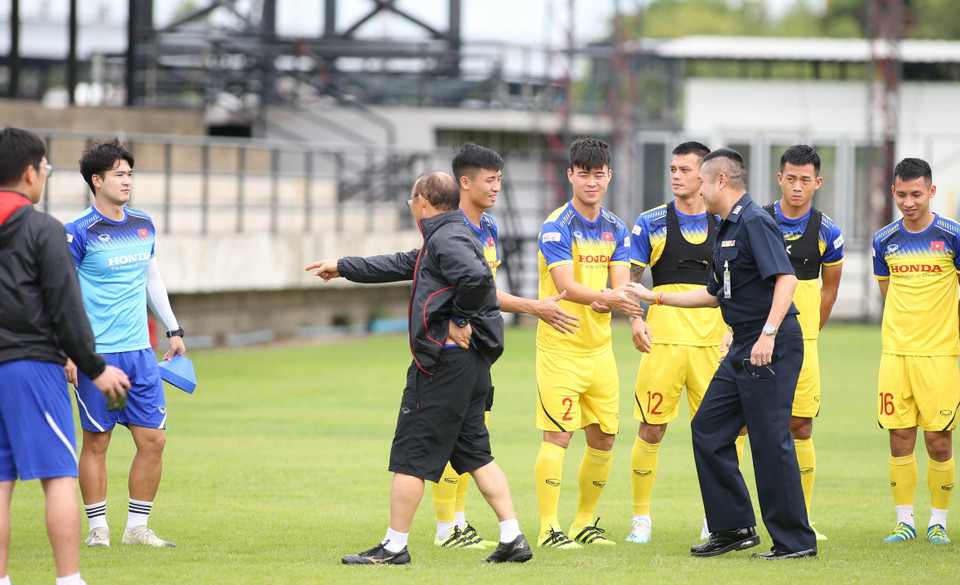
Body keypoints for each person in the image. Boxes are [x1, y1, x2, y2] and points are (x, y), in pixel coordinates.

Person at [306, 171, 532, 565]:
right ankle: (513, 539)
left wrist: (458, 319)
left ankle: (394, 547)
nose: (410, 206)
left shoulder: (445, 237)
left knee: (411, 455)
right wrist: (343, 266)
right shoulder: (448, 235)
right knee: (477, 454)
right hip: (471, 367)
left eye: (411, 200)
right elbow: (401, 263)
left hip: (445, 367)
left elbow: (477, 279)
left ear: (423, 201)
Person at [629, 148, 817, 559]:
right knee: (709, 428)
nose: (693, 185)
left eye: (699, 178)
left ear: (720, 182)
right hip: (743, 344)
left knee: (769, 442)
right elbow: (714, 294)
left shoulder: (754, 221)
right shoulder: (727, 227)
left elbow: (786, 280)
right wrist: (652, 297)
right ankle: (733, 528)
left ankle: (795, 542)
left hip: (770, 344)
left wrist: (766, 333)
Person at [431, 144, 578, 549]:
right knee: (452, 434)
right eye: (489, 180)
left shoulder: (490, 227)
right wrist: (533, 306)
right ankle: (447, 526)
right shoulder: (447, 227)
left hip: (479, 346)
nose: (497, 187)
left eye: (500, 179)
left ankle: (458, 524)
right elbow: (472, 289)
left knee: (473, 434)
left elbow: (487, 289)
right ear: (465, 182)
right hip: (452, 345)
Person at [0, 127, 129, 585]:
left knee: (0, 482)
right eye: (46, 168)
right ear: (31, 171)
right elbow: (66, 308)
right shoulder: (42, 229)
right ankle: (69, 579)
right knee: (57, 474)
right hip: (30, 366)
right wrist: (94, 367)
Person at [64, 139, 186, 548]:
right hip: (97, 357)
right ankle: (99, 528)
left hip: (140, 354)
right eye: (119, 173)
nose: (127, 180)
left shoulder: (143, 224)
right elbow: (63, 294)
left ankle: (137, 527)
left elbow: (152, 279)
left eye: (130, 173)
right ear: (96, 181)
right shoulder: (77, 232)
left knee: (154, 439)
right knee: (98, 440)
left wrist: (173, 330)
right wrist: (67, 350)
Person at [534, 137, 647, 549]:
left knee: (603, 437)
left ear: (609, 176)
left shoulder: (617, 227)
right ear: (571, 175)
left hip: (599, 350)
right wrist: (612, 299)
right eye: (584, 173)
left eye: (599, 174)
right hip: (560, 347)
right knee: (559, 436)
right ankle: (549, 527)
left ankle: (584, 522)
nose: (592, 181)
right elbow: (565, 287)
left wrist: (633, 316)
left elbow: (621, 285)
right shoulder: (555, 225)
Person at [624, 141, 727, 544]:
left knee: (722, 435)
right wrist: (634, 320)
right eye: (672, 169)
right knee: (651, 430)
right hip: (662, 344)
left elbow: (742, 285)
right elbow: (627, 281)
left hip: (713, 347)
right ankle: (641, 520)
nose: (675, 176)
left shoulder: (726, 223)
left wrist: (735, 332)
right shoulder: (650, 222)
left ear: (704, 177)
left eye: (685, 170)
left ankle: (716, 518)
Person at [872, 158, 959, 545]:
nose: (909, 202)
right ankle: (904, 521)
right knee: (899, 437)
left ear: (932, 192)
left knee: (938, 439)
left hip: (940, 356)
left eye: (917, 194)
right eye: (902, 194)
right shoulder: (883, 240)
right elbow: (887, 291)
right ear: (894, 192)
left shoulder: (953, 236)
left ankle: (937, 522)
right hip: (896, 355)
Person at [765, 145, 843, 541]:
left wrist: (806, 332)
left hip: (802, 344)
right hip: (754, 339)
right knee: (743, 427)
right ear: (779, 178)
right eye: (790, 178)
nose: (797, 187)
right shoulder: (757, 220)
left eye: (805, 180)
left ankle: (803, 517)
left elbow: (829, 290)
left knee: (801, 426)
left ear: (818, 182)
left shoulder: (828, 230)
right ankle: (728, 519)